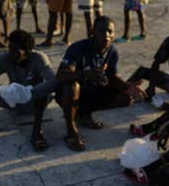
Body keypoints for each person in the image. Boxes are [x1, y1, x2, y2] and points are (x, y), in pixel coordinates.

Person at [55, 16, 133, 151]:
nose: (106, 35)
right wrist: (86, 74)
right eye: (102, 31)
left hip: (91, 93)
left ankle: (84, 115)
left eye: (110, 31)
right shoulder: (78, 48)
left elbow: (112, 76)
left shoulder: (112, 51)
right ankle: (71, 130)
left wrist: (129, 87)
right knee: (72, 86)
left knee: (125, 98)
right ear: (92, 32)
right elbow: (61, 75)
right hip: (69, 94)